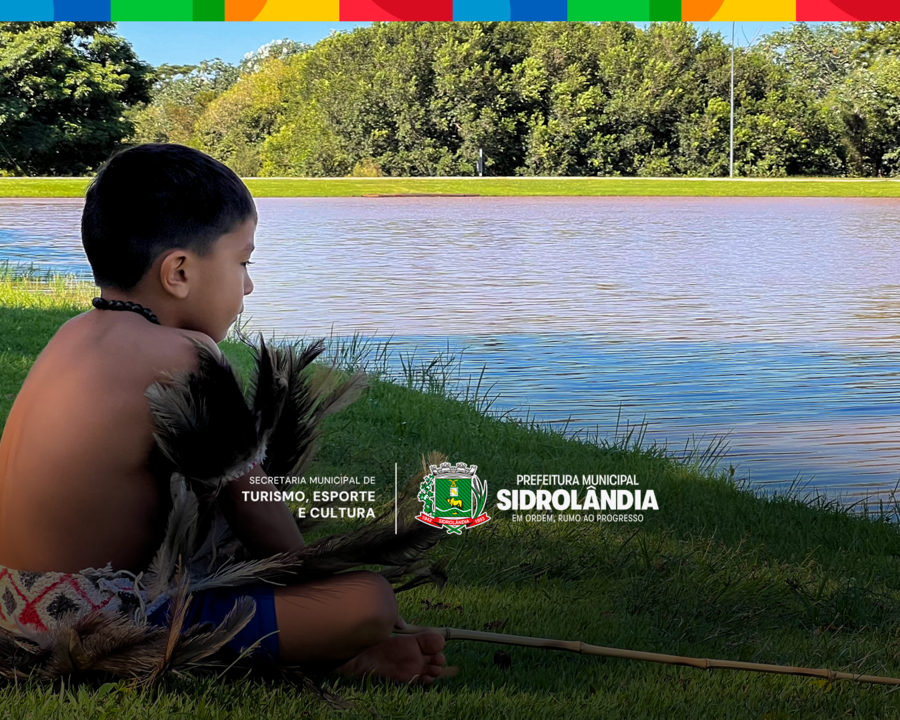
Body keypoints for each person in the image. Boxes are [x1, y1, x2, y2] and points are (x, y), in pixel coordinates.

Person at [0, 143, 453, 685]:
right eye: (242, 262)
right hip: (86, 626)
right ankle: (339, 651)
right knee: (367, 601)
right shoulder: (183, 354)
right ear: (179, 273)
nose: (248, 285)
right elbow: (256, 508)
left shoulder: (72, 335)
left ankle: (327, 648)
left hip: (10, 608)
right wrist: (329, 601)